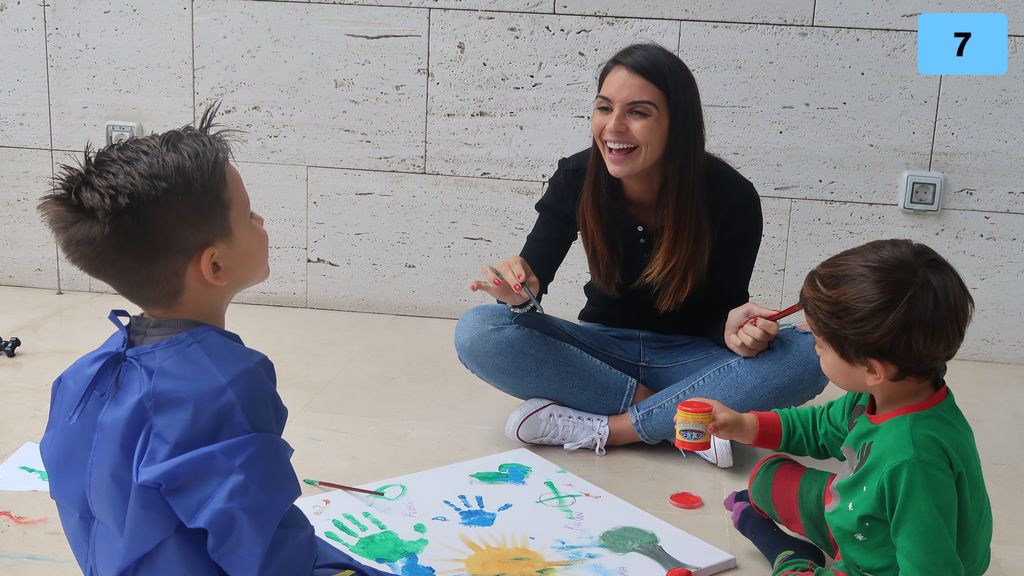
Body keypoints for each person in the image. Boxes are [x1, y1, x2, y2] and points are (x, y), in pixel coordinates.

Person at [38, 105, 395, 576]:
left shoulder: (79, 376)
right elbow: (262, 548)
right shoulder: (225, 383)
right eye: (248, 216)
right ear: (215, 266)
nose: (261, 221)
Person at [454, 43, 827, 466]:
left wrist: (733, 327)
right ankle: (685, 422)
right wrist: (521, 294)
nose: (613, 127)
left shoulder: (731, 195)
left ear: (677, 124)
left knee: (808, 353)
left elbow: (721, 309)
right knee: (479, 330)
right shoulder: (576, 177)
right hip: (599, 352)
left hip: (692, 357)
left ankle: (609, 429)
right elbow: (533, 280)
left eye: (638, 112)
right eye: (604, 108)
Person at [698, 239, 992, 575]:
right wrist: (742, 424)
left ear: (872, 369)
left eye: (821, 345)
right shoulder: (884, 393)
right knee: (766, 477)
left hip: (882, 567)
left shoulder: (914, 462)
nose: (814, 348)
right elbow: (817, 428)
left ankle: (786, 554)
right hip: (864, 522)